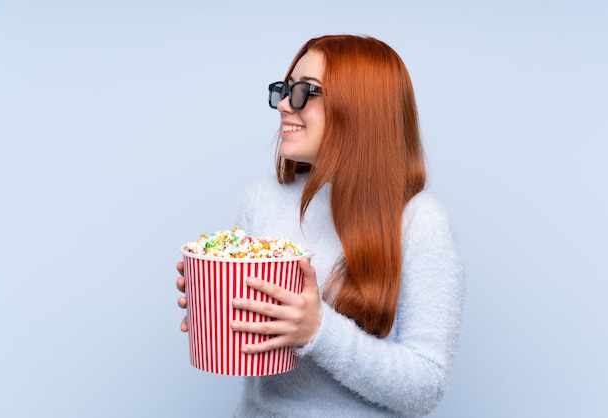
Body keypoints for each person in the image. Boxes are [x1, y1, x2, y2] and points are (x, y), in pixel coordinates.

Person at [176, 34, 465, 417]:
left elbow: (425, 388)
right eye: (286, 89)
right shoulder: (262, 200)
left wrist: (317, 331)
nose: (282, 104)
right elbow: (253, 356)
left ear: (361, 107)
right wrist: (215, 307)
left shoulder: (420, 221)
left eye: (306, 92)